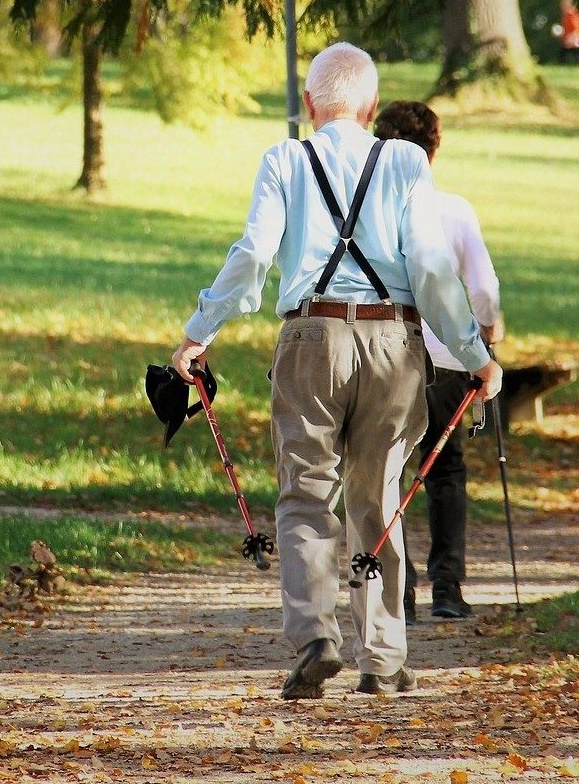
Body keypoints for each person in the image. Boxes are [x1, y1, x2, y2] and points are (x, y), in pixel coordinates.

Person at [170, 43, 503, 700]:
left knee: (304, 494)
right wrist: (475, 355)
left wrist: (197, 333)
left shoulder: (285, 159)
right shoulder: (406, 161)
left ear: (308, 105)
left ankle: (316, 638)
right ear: (372, 107)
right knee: (379, 498)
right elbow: (433, 271)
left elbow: (253, 255)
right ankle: (383, 657)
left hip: (310, 337)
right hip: (392, 340)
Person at [371, 100, 502, 622]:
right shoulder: (454, 210)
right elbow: (484, 287)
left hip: (388, 353)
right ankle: (447, 587)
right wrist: (489, 329)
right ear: (435, 149)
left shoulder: (371, 212)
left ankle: (397, 593)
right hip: (449, 356)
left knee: (389, 469)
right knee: (445, 469)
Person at [557, 0, 579, 66]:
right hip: (571, 38)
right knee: (569, 53)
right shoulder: (567, 15)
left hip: (574, 38)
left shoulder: (571, 14)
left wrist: (572, 38)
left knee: (575, 53)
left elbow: (576, 27)